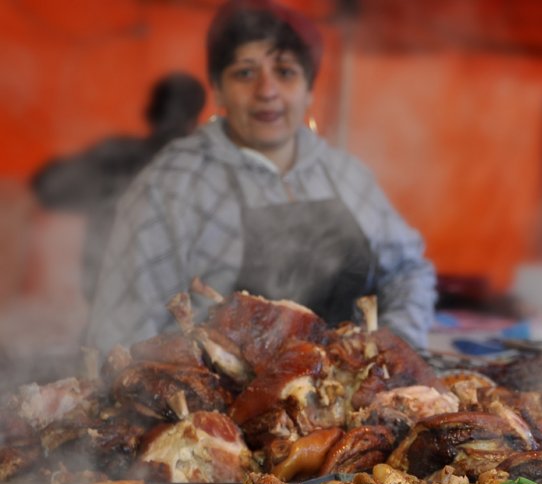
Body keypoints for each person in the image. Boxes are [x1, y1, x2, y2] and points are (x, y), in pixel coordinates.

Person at [84, 0, 436, 353]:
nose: (267, 91)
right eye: (245, 73)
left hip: (346, 383)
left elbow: (408, 271)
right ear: (218, 89)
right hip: (219, 386)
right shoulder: (174, 182)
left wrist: (394, 347)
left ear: (309, 91)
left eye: (285, 72)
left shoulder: (344, 174)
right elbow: (122, 320)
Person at [32, 73, 207, 303]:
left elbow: (48, 188)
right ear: (194, 122)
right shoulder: (203, 170)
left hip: (112, 299)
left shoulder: (115, 156)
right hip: (160, 304)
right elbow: (49, 188)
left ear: (150, 112)